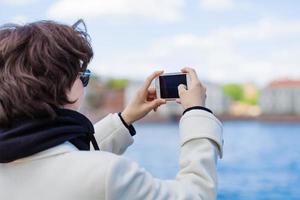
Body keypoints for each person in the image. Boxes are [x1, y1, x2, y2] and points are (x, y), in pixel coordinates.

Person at [0, 20, 223, 200]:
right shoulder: (108, 174)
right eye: (83, 76)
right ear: (62, 86)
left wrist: (126, 118)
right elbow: (197, 194)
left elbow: (57, 157)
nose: (84, 81)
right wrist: (196, 112)